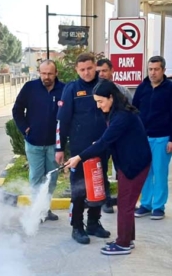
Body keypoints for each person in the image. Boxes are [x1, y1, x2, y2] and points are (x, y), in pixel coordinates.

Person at [64, 80, 152, 255]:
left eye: (100, 101)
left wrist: (79, 158)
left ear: (111, 97)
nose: (98, 106)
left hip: (134, 165)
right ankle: (127, 239)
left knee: (125, 205)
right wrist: (98, 144)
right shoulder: (116, 112)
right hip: (129, 163)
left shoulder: (122, 116)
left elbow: (105, 141)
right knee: (126, 204)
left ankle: (123, 244)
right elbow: (109, 139)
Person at [56, 53, 111, 245]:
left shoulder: (104, 86)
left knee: (98, 185)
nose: (86, 72)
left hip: (101, 147)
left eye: (89, 68)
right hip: (79, 150)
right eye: (82, 70)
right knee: (79, 190)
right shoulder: (71, 89)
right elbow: (62, 120)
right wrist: (59, 148)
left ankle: (94, 223)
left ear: (95, 67)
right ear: (76, 70)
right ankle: (77, 226)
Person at [12, 60, 65, 221]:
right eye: (43, 73)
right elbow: (17, 109)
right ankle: (38, 210)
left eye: (50, 73)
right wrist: (25, 129)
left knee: (51, 178)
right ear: (39, 73)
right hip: (34, 143)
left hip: (54, 144)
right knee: (36, 177)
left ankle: (45, 209)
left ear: (56, 73)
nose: (46, 77)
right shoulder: (30, 88)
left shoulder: (64, 89)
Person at [132, 56, 172, 220]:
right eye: (150, 69)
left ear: (163, 70)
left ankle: (159, 207)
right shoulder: (142, 87)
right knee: (145, 173)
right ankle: (146, 204)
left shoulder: (171, 89)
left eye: (156, 69)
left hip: (163, 138)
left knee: (160, 173)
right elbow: (134, 111)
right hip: (143, 138)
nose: (153, 73)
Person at [95, 58, 131, 214]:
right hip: (102, 137)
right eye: (98, 71)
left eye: (104, 70)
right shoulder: (94, 91)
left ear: (112, 71)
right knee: (101, 169)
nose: (101, 74)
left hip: (120, 140)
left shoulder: (123, 91)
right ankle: (106, 200)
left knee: (122, 170)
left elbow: (132, 112)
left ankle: (126, 200)